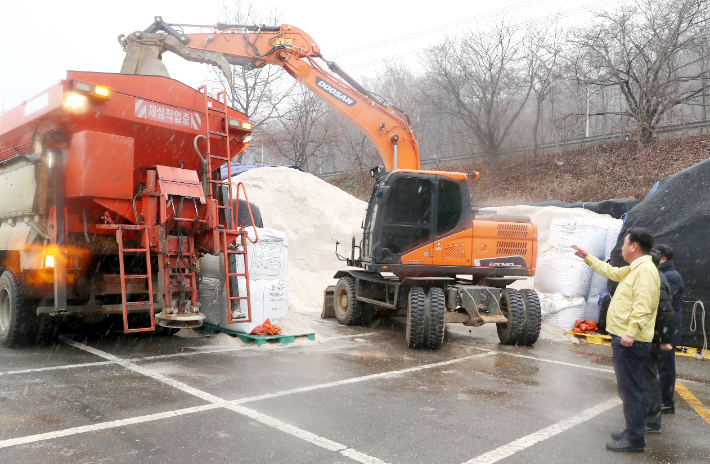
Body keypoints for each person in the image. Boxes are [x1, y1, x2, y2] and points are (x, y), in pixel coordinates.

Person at [571, 227, 660, 453]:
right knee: (629, 388)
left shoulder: (645, 272)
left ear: (634, 246)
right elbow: (611, 271)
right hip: (626, 337)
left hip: (631, 340)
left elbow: (643, 305)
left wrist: (630, 333)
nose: (621, 248)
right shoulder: (635, 269)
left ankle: (634, 438)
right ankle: (633, 430)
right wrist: (587, 257)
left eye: (624, 244)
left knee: (631, 389)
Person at [639, 248, 675, 434]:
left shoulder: (656, 278)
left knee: (649, 379)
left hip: (651, 336)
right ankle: (646, 419)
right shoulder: (658, 276)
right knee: (647, 378)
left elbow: (665, 311)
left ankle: (651, 422)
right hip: (651, 335)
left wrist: (663, 339)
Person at [655, 244, 685, 414]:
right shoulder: (664, 274)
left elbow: (662, 302)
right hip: (665, 325)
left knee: (666, 366)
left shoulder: (671, 276)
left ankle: (667, 402)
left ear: (663, 259)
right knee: (661, 364)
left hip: (668, 326)